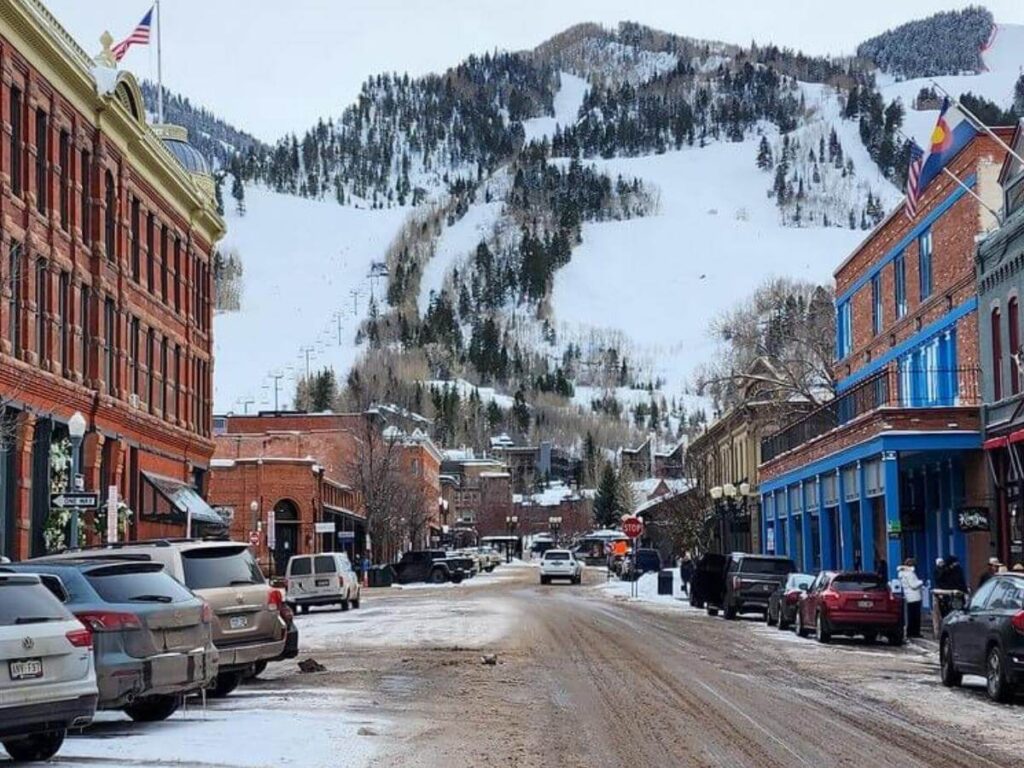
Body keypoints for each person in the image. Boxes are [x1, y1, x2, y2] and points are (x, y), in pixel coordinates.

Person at [897, 558, 924, 638]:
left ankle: (910, 631)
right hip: (914, 596)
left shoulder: (902, 573)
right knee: (916, 616)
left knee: (911, 615)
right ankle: (915, 632)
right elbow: (913, 585)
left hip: (908, 596)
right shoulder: (909, 573)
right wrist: (921, 582)